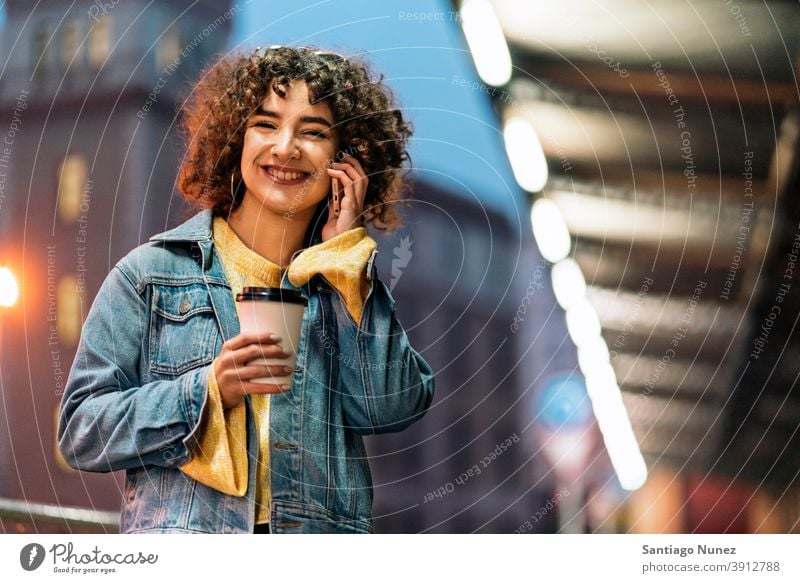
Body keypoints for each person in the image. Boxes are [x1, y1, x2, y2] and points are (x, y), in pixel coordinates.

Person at [58, 46, 435, 534]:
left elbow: (393, 407)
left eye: (313, 132)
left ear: (348, 162)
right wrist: (208, 391)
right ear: (235, 141)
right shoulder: (149, 275)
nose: (285, 148)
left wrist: (347, 262)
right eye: (265, 124)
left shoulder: (345, 282)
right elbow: (80, 431)